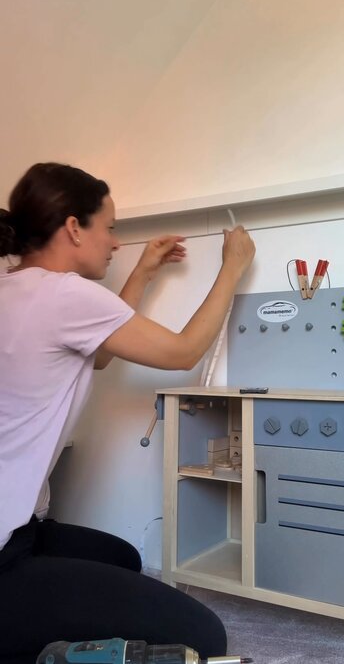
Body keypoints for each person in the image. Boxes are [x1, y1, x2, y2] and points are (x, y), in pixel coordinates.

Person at [0, 162, 255, 664]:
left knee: (122, 558)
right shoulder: (64, 295)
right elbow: (183, 351)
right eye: (110, 227)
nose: (115, 242)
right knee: (203, 637)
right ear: (74, 227)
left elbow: (98, 353)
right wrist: (233, 266)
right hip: (5, 552)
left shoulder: (16, 288)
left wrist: (143, 272)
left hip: (21, 529)